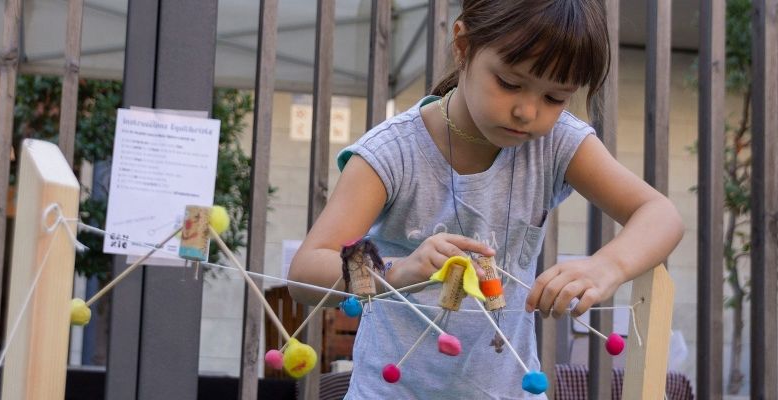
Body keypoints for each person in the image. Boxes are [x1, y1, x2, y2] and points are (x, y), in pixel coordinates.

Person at [288, 0, 684, 398]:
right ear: (463, 46)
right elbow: (306, 271)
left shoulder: (556, 142)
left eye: (555, 98)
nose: (527, 111)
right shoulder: (393, 153)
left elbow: (660, 214)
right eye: (510, 83)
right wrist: (397, 271)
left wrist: (606, 266)